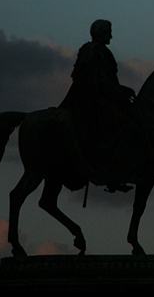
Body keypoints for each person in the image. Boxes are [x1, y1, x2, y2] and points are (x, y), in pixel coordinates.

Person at [60, 19, 137, 192]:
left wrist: (121, 89)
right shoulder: (102, 52)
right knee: (127, 127)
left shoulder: (86, 50)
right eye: (109, 32)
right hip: (98, 102)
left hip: (84, 100)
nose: (111, 35)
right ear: (102, 33)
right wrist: (122, 94)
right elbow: (105, 83)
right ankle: (116, 175)